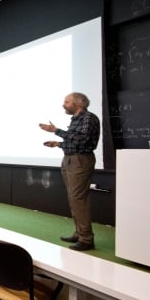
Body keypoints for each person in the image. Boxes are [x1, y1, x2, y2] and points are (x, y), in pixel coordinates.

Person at [39, 92, 100, 251]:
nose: (63, 105)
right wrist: (57, 144)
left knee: (78, 199)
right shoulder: (76, 119)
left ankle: (86, 239)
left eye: (66, 102)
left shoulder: (88, 118)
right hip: (70, 159)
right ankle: (79, 233)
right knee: (73, 198)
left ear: (78, 103)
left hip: (80, 161)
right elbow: (74, 141)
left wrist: (56, 130)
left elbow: (82, 140)